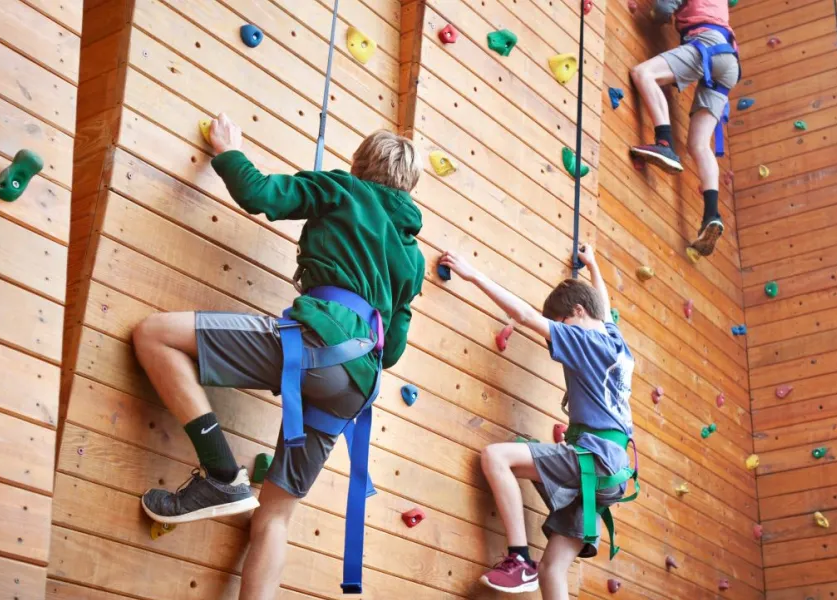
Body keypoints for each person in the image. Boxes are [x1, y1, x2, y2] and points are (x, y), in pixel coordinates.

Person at [131, 113, 425, 600]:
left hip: (315, 343)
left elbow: (261, 195)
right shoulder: (412, 257)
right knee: (274, 517)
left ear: (359, 163)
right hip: (355, 386)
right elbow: (391, 350)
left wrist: (227, 150)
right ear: (407, 187)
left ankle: (222, 473)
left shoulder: (342, 190)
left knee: (154, 335)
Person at [439, 244, 637, 599]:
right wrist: (593, 265)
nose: (554, 338)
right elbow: (602, 307)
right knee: (553, 570)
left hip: (596, 457)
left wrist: (473, 275)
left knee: (496, 457)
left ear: (577, 313)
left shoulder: (584, 338)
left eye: (559, 325)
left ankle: (518, 558)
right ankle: (532, 569)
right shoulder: (614, 340)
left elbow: (527, 316)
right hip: (613, 472)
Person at [628, 0, 738, 257]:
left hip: (707, 43)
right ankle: (712, 213)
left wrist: (653, 15)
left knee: (643, 73)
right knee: (699, 145)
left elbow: (662, 11)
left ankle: (664, 142)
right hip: (729, 61)